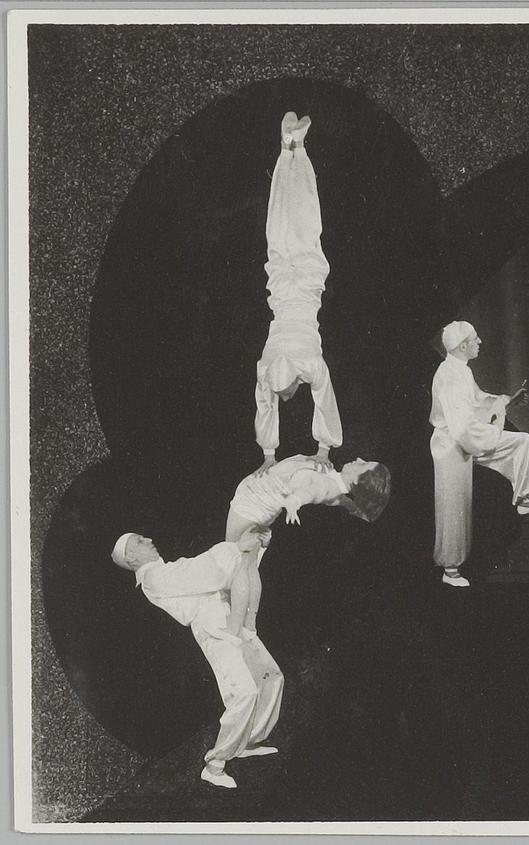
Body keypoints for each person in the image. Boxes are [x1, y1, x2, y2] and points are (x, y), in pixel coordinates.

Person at [111, 531, 284, 789]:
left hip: (230, 615)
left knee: (270, 676)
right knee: (244, 693)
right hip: (213, 628)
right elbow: (204, 570)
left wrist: (254, 550)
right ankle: (214, 766)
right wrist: (237, 548)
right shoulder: (153, 578)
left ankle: (248, 740)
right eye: (139, 540)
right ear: (131, 557)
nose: (149, 539)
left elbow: (233, 576)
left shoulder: (167, 569)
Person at [432, 320, 529, 587]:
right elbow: (462, 427)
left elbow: (479, 400)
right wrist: (494, 429)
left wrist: (507, 401)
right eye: (475, 339)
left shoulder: (461, 370)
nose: (480, 342)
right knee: (453, 505)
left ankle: (525, 500)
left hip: (469, 437)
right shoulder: (449, 376)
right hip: (451, 445)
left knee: (521, 441)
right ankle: (450, 569)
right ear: (462, 346)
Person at [254, 112, 343, 477]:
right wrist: (270, 454)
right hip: (290, 287)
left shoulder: (306, 366)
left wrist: (272, 454)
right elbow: (268, 402)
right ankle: (291, 148)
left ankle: (293, 148)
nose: (289, 397)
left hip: (298, 286)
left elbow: (274, 404)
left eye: (288, 393)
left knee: (290, 221)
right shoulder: (268, 370)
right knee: (288, 221)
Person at [224, 455, 392, 635]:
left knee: (235, 564)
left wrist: (294, 501)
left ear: (358, 480)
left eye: (363, 464)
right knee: (247, 566)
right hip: (259, 504)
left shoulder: (327, 486)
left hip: (251, 505)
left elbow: (310, 492)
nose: (358, 459)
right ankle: (248, 623)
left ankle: (235, 627)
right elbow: (345, 502)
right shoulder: (337, 489)